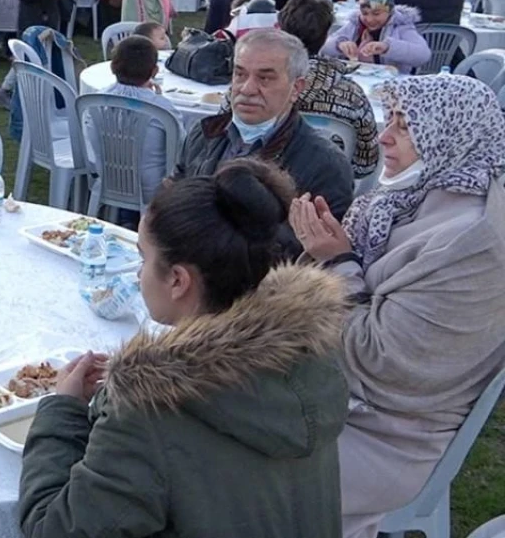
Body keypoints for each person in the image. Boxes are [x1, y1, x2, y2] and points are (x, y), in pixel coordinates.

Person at [18, 159, 350, 537]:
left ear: (178, 280)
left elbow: (53, 530)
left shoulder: (150, 409)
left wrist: (62, 412)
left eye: (143, 259)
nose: (138, 274)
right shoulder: (311, 359)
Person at [289, 74, 505, 538]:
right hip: (338, 392)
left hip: (385, 434)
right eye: (391, 120)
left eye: (406, 126)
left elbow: (379, 359)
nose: (385, 135)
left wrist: (336, 259)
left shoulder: (472, 244)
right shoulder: (412, 194)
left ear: (450, 132)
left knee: (215, 460)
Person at [175, 29, 355, 253]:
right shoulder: (203, 134)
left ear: (296, 88)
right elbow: (174, 195)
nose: (247, 89)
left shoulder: (324, 165)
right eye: (240, 74)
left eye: (265, 78)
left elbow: (312, 256)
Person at [277, 0, 379, 179]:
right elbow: (366, 165)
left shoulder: (256, 85)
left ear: (280, 29)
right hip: (329, 192)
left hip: (262, 189)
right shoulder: (351, 95)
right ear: (325, 38)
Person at [83, 34, 184, 217]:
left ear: (113, 67)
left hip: (107, 178)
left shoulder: (96, 101)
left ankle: (123, 217)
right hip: (151, 187)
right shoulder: (162, 109)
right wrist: (158, 98)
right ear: (154, 71)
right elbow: (181, 146)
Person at [325, 0, 432, 74]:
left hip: (391, 85)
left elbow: (423, 55)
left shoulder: (401, 26)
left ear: (389, 11)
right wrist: (339, 44)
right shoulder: (355, 24)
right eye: (365, 13)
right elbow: (322, 46)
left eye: (376, 14)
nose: (370, 19)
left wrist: (388, 47)